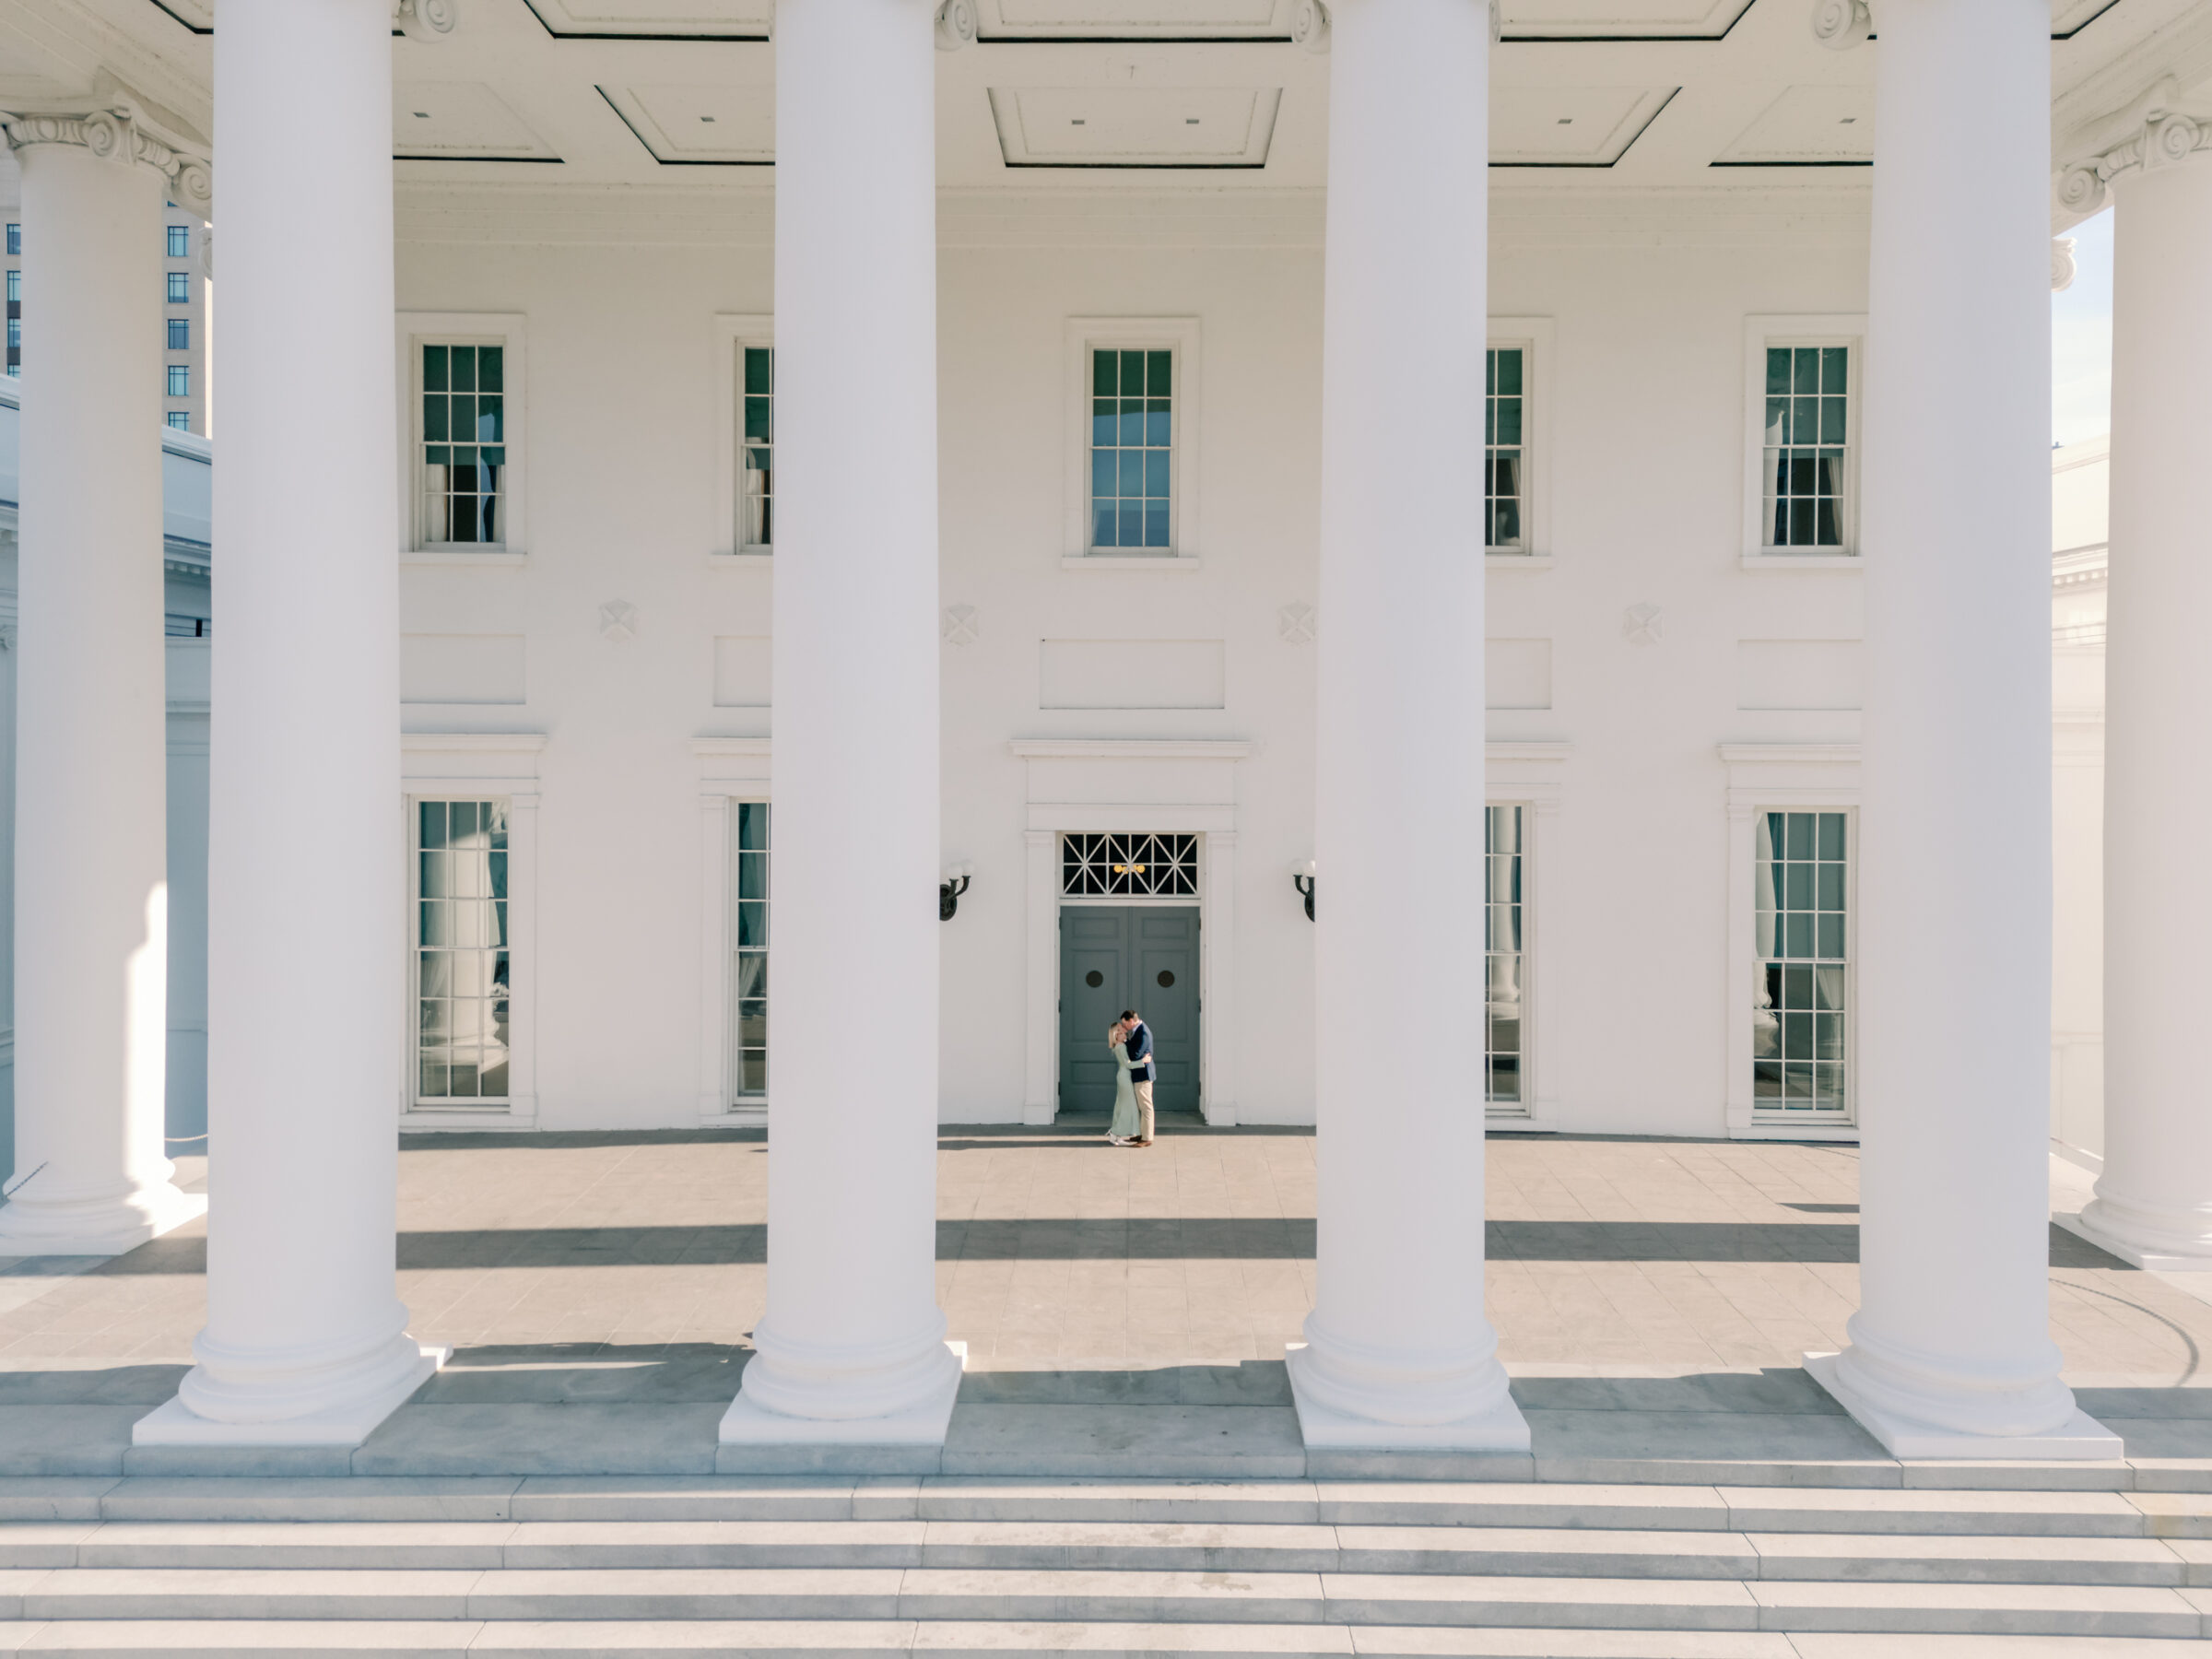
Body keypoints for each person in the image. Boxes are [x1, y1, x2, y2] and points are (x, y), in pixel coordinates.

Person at [1117, 1010, 1156, 1147]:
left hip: (1143, 1074)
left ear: (1131, 1021)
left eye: (1124, 1023)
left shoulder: (1143, 1032)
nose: (1124, 1026)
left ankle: (1147, 1138)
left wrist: (1125, 1041)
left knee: (1146, 1106)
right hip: (1140, 1073)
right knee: (1142, 1105)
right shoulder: (1139, 1030)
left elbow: (1136, 1054)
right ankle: (1143, 1134)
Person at [1106, 1023, 1140, 1146]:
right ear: (1117, 1034)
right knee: (1127, 1107)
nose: (1125, 1032)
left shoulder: (1119, 1045)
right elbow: (1128, 1064)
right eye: (1122, 1031)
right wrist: (1143, 1061)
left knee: (1121, 1105)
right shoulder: (1121, 1047)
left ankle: (1115, 1135)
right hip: (1125, 1077)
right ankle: (1116, 1133)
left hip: (1122, 1076)